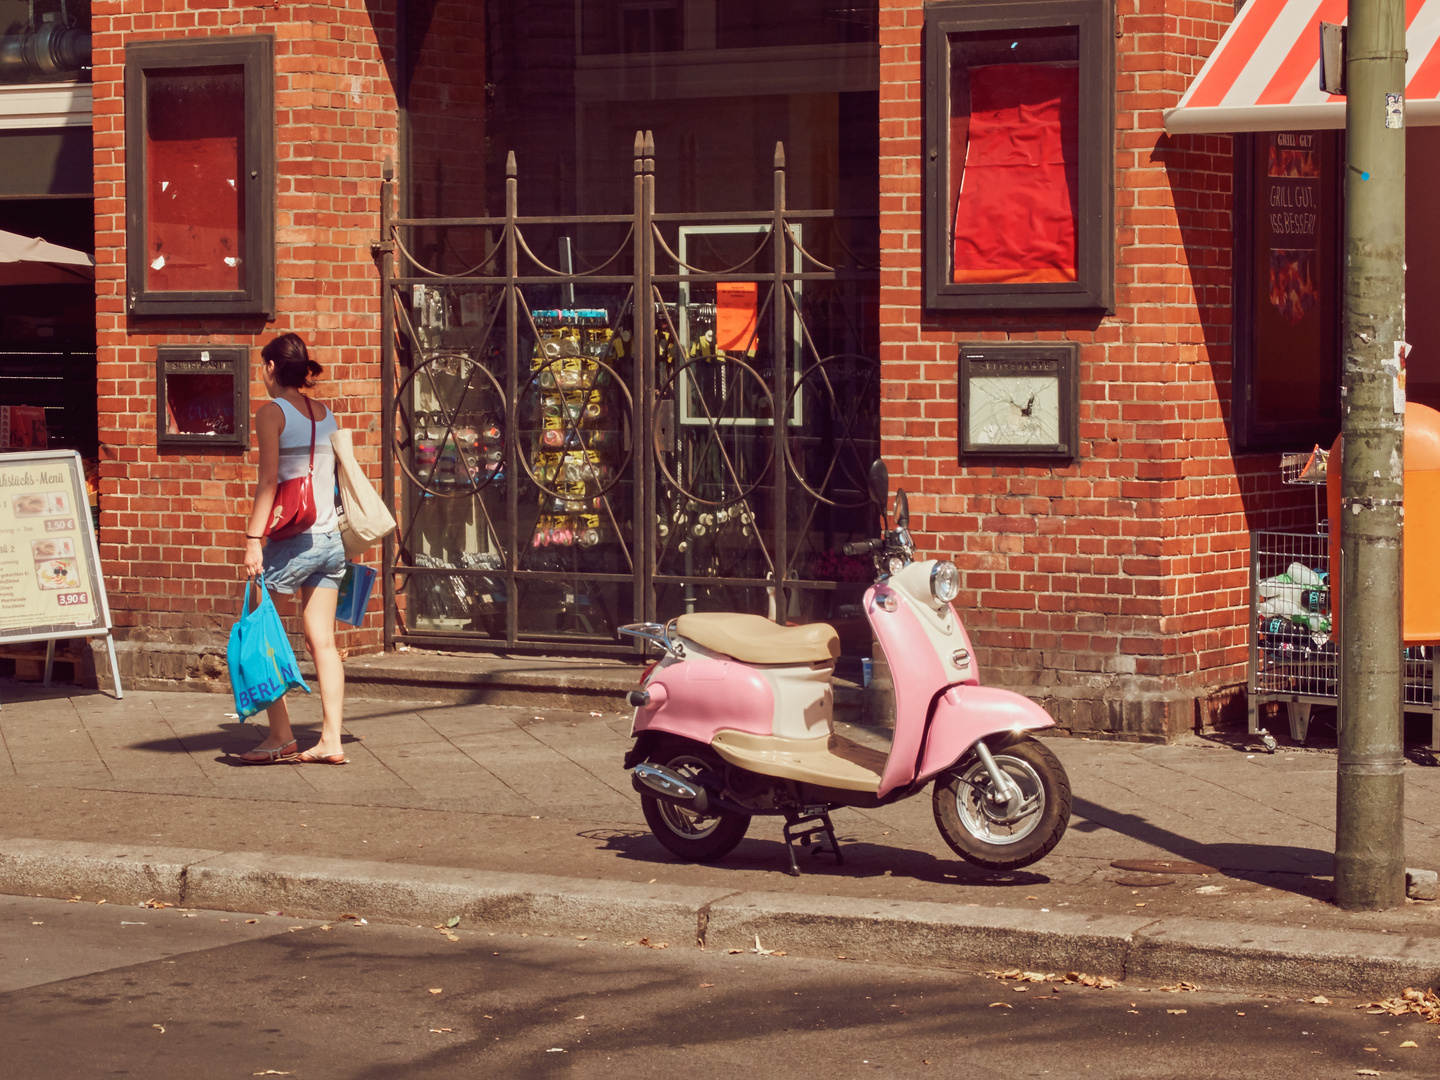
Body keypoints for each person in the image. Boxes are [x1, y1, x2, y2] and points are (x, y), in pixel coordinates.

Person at [239, 332, 349, 765]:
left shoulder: (272, 414)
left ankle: (281, 735)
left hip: (293, 540)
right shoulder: (326, 414)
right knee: (323, 640)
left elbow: (268, 481)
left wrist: (252, 539)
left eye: (261, 369)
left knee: (257, 625)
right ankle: (332, 740)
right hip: (331, 541)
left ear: (270, 368)